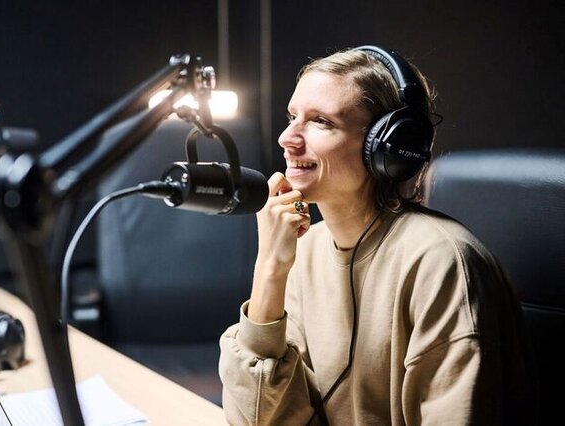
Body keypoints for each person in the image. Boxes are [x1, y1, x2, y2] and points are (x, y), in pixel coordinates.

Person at [218, 45, 537, 425]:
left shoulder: (442, 264)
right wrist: (270, 269)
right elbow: (257, 419)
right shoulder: (304, 250)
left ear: (388, 147)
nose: (288, 137)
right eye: (292, 117)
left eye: (320, 121)